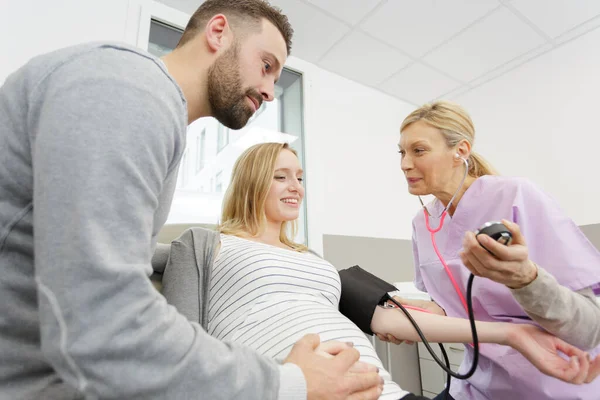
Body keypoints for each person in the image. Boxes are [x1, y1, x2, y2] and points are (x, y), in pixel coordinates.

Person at [0, 1, 383, 399]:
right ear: (218, 33)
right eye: (266, 65)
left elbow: (100, 255)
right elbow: (105, 322)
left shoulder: (154, 117)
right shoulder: (126, 87)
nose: (271, 91)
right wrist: (289, 383)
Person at [160, 142, 595, 400]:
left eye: (300, 176)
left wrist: (514, 334)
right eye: (280, 176)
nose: (296, 187)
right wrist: (283, 383)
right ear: (251, 181)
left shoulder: (317, 263)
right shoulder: (202, 243)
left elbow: (389, 319)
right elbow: (179, 354)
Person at [384, 100, 600, 399]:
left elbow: (592, 326)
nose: (405, 164)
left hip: (553, 382)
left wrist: (526, 280)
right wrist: (409, 314)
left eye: (418, 150)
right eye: (402, 152)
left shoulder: (516, 196)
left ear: (460, 151)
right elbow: (453, 305)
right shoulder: (422, 223)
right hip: (476, 385)